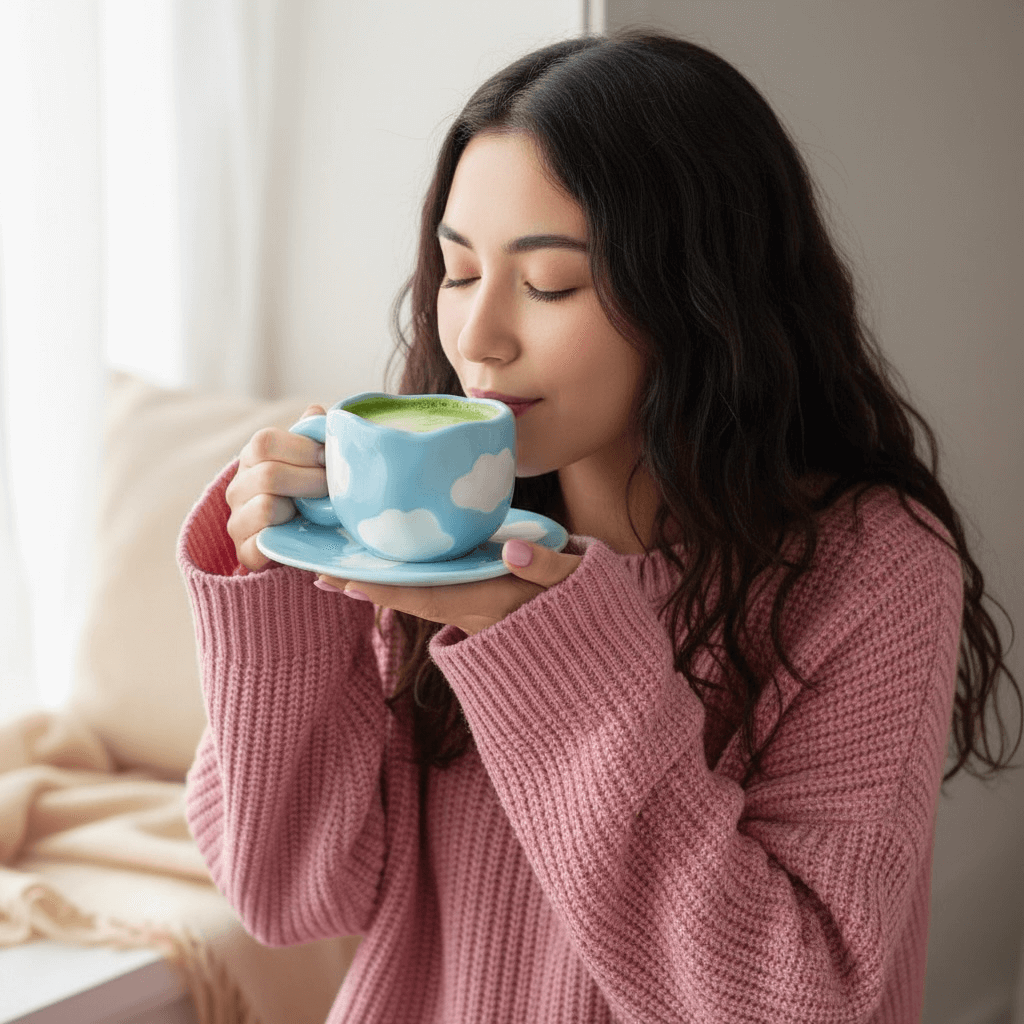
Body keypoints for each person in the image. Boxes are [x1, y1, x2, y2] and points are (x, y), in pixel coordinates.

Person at [179, 31, 1021, 1024]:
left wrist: (537, 647)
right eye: (456, 273)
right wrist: (285, 587)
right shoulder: (435, 535)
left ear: (704, 296)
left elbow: (784, 1001)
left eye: (549, 285)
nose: (478, 339)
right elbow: (293, 899)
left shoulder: (869, 568)